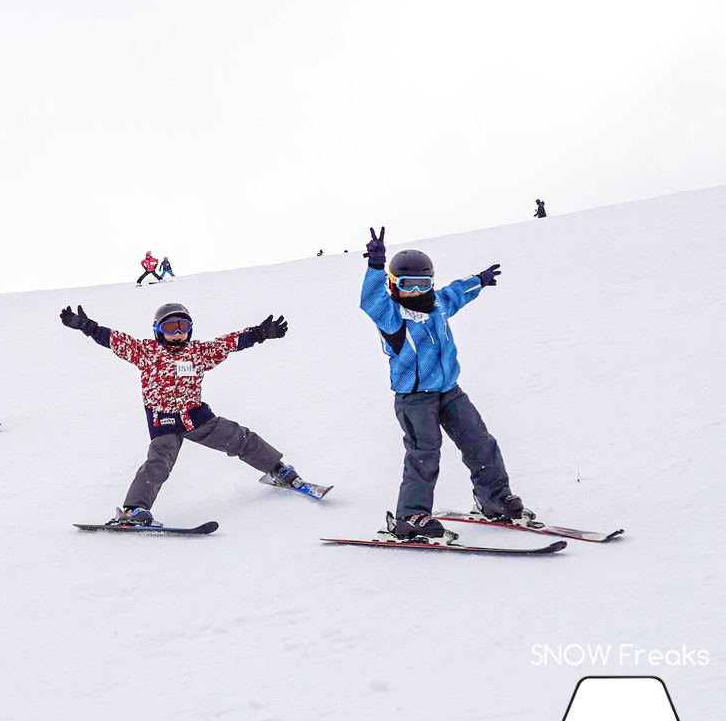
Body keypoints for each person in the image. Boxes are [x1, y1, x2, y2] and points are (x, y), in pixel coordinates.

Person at [59, 300, 305, 526]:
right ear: (158, 331)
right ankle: (134, 510)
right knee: (158, 464)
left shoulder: (199, 352)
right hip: (163, 417)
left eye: (183, 327)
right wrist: (87, 326)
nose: (177, 333)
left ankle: (277, 469)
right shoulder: (146, 351)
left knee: (239, 437)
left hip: (195, 414)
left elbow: (227, 343)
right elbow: (116, 340)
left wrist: (259, 333)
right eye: (170, 328)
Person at [359, 226, 531, 541]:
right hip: (414, 399)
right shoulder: (391, 315)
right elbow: (371, 300)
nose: (415, 291)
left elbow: (454, 293)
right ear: (394, 285)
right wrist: (374, 267)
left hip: (449, 391)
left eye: (422, 284)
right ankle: (411, 517)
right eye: (407, 285)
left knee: (480, 443)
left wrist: (478, 281)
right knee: (424, 454)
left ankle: (494, 500)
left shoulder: (437, 304)